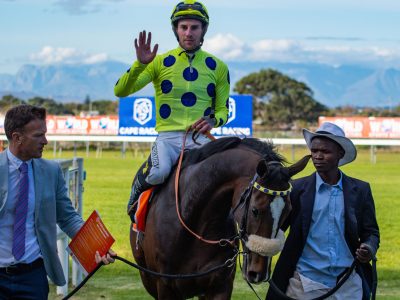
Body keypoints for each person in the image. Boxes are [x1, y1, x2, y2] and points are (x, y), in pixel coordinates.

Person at [114, 0, 230, 220]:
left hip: (201, 139)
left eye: (194, 27)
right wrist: (140, 64)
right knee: (158, 173)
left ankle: (232, 235)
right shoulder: (158, 62)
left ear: (203, 30)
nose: (189, 33)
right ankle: (135, 194)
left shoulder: (219, 67)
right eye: (183, 27)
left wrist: (214, 121)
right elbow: (120, 90)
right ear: (176, 30)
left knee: (220, 179)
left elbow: (223, 109)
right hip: (167, 139)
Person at [0, 104, 116, 299]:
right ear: (17, 137)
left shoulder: (51, 171)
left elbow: (68, 218)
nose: (45, 141)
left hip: (33, 276)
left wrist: (97, 245)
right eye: (38, 135)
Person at [266, 122, 380, 300]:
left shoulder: (361, 190)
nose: (317, 156)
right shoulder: (296, 189)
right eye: (314, 151)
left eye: (325, 152)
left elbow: (371, 232)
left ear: (340, 154)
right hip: (304, 283)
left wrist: (368, 248)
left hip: (349, 284)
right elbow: (275, 229)